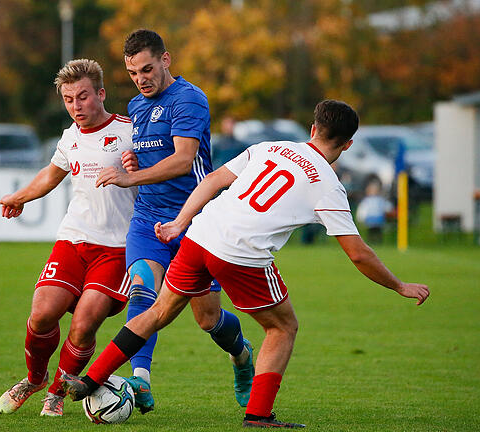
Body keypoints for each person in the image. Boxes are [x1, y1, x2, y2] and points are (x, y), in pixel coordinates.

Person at [61, 100, 430, 428]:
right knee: (283, 327)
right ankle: (258, 416)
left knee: (159, 311)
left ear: (313, 129)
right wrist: (399, 285)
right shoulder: (328, 185)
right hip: (242, 255)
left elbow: (215, 180)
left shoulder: (271, 147)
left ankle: (90, 379)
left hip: (201, 234)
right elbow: (358, 253)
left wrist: (180, 221)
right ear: (347, 145)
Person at [93, 29, 254, 413]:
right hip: (148, 217)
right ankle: (141, 381)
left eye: (147, 69)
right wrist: (134, 161)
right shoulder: (137, 105)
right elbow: (151, 156)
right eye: (133, 73)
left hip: (197, 222)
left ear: (165, 60)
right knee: (142, 289)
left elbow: (183, 159)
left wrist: (129, 176)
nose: (141, 79)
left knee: (207, 319)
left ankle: (243, 357)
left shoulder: (190, 99)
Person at [0, 59, 138, 417]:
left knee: (85, 323)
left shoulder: (130, 130)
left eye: (83, 97)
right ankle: (35, 379)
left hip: (117, 247)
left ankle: (57, 392)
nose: (76, 106)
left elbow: (158, 172)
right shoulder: (70, 136)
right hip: (74, 239)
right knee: (42, 314)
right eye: (69, 99)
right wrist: (19, 197)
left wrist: (138, 169)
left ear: (101, 94)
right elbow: (50, 175)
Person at [355, 178, 394, 244]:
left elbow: (387, 207)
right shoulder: (367, 201)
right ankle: (371, 241)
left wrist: (390, 210)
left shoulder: (380, 200)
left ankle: (378, 242)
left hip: (379, 219)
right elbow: (363, 209)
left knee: (378, 232)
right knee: (371, 232)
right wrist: (361, 217)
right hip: (370, 220)